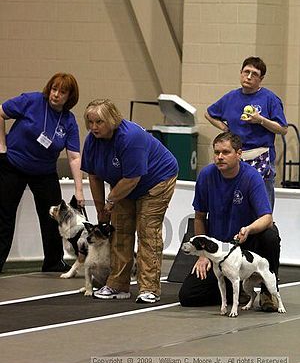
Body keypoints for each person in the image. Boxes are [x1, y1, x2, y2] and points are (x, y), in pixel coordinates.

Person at [81, 99, 178, 303]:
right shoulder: (92, 141)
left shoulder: (130, 137)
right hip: (122, 185)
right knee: (120, 232)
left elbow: (133, 179)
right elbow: (94, 176)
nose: (94, 127)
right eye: (90, 122)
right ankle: (117, 285)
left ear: (112, 120)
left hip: (156, 181)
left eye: (99, 122)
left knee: (147, 232)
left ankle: (149, 288)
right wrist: (101, 210)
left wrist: (110, 201)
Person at [179, 132, 281, 312]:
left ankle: (267, 292)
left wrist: (249, 229)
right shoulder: (206, 176)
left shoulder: (252, 177)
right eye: (216, 152)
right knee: (188, 296)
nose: (220, 157)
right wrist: (203, 255)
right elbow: (200, 217)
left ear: (239, 153)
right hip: (217, 248)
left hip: (245, 243)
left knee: (270, 235)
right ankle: (235, 289)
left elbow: (267, 218)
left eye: (225, 152)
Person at [0, 73, 84, 273]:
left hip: (44, 172)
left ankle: (54, 262)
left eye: (62, 92)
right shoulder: (31, 101)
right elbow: (0, 112)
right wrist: (1, 147)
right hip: (12, 165)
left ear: (69, 97)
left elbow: (74, 157)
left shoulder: (69, 121)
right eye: (54, 89)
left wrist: (79, 190)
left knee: (53, 217)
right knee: (4, 215)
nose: (56, 95)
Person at [204, 56, 288, 209]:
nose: (249, 77)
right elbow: (209, 114)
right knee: (235, 202)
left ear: (261, 79)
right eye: (246, 72)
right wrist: (224, 128)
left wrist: (261, 120)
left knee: (261, 206)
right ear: (240, 73)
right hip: (236, 157)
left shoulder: (270, 99)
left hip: (261, 157)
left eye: (254, 74)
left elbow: (283, 129)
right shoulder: (231, 97)